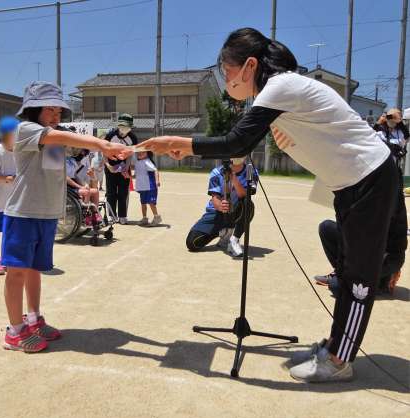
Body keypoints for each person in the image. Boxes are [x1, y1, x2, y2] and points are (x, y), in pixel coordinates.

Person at [134, 28, 408, 383]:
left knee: (358, 278)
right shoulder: (280, 93)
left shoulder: (280, 86)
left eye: (227, 71)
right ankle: (334, 346)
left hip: (368, 179)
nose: (226, 80)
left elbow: (237, 142)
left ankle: (339, 360)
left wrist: (182, 143)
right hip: (353, 184)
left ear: (249, 66)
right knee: (346, 268)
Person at [1, 81, 127, 353]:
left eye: (59, 111)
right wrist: (101, 143)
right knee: (16, 272)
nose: (56, 115)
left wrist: (100, 157)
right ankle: (14, 331)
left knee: (35, 269)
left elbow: (68, 156)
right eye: (50, 109)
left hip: (47, 214)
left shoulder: (56, 137)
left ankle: (33, 319)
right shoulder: (26, 129)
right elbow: (65, 138)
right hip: (23, 213)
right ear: (33, 109)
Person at [185, 157, 256, 257]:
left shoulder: (250, 171)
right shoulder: (217, 172)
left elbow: (245, 194)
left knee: (248, 203)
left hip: (237, 211)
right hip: (216, 212)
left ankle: (234, 240)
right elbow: (215, 198)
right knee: (192, 243)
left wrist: (234, 179)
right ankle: (223, 232)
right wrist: (220, 206)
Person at [315, 220, 403, 295]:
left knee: (335, 285)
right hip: (361, 250)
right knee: (325, 227)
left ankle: (381, 284)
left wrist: (394, 267)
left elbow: (397, 249)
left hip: (377, 263)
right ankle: (341, 272)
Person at [0, 116, 18, 275]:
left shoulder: (18, 151)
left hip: (11, 194)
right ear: (6, 135)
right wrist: (6, 178)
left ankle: (6, 257)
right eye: (15, 134)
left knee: (9, 226)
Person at [104, 114, 138, 224]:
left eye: (127, 127)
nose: (124, 129)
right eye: (122, 126)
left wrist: (126, 168)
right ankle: (111, 215)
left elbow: (130, 154)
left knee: (123, 192)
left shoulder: (133, 138)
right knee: (111, 192)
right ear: (118, 126)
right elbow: (104, 151)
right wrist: (108, 165)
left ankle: (123, 216)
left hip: (124, 168)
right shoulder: (110, 135)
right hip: (111, 168)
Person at [133, 151, 162, 226]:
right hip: (142, 186)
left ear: (147, 154)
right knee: (143, 203)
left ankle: (157, 217)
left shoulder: (147, 161)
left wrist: (157, 180)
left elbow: (155, 170)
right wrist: (129, 176)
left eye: (143, 152)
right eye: (138, 152)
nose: (140, 153)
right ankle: (144, 218)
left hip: (150, 186)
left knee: (151, 202)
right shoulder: (137, 162)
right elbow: (136, 175)